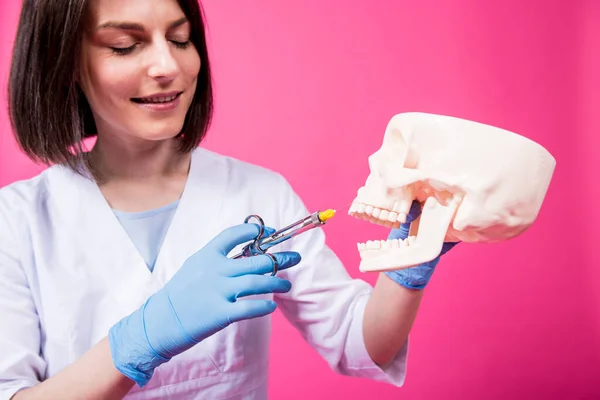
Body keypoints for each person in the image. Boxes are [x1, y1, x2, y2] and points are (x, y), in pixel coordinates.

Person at [0, 0, 457, 399]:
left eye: (180, 39)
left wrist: (408, 261)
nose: (168, 66)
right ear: (63, 62)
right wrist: (139, 340)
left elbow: (360, 344)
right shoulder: (16, 221)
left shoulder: (258, 194)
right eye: (125, 45)